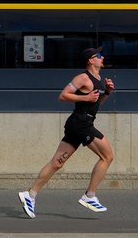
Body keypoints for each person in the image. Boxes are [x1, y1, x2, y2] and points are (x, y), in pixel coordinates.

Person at [18, 46, 116, 219]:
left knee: (57, 163)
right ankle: (89, 196)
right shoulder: (83, 78)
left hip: (81, 123)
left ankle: (30, 195)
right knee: (107, 156)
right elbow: (63, 95)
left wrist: (107, 92)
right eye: (99, 55)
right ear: (90, 60)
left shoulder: (99, 79)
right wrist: (84, 98)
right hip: (81, 123)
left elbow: (96, 104)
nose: (102, 57)